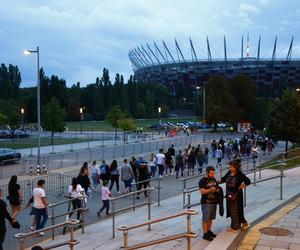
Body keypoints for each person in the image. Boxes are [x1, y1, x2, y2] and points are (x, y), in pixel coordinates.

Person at [220, 160, 251, 232]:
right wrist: (214, 182)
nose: (230, 168)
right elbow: (223, 179)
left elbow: (248, 181)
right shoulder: (229, 173)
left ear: (236, 167)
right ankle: (243, 223)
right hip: (229, 195)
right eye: (229, 167)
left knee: (236, 210)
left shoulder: (239, 174)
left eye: (231, 167)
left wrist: (242, 186)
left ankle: (235, 227)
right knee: (232, 210)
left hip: (237, 195)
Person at [199, 166, 219, 241]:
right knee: (205, 219)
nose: (212, 175)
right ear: (207, 172)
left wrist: (217, 189)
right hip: (206, 202)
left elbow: (217, 187)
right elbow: (202, 191)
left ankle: (209, 231)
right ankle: (205, 233)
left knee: (211, 218)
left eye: (213, 173)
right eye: (211, 173)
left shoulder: (213, 179)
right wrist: (210, 189)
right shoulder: (202, 181)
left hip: (214, 202)